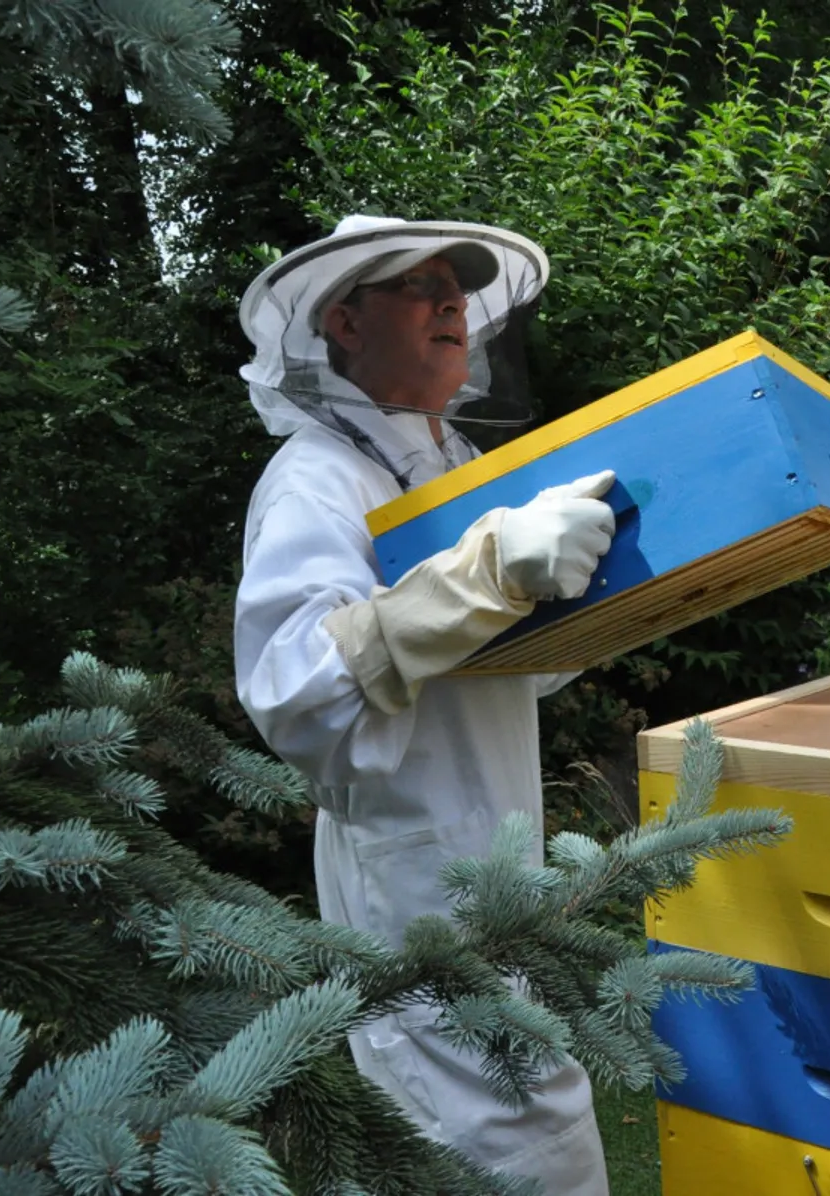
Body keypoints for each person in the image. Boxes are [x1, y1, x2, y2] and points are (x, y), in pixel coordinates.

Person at [232, 215, 616, 1193]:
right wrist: (487, 574)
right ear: (344, 321)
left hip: (495, 857)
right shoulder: (317, 481)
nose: (450, 301)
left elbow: (496, 672)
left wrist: (598, 603)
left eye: (458, 287)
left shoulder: (441, 476)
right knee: (490, 1144)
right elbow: (295, 689)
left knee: (534, 1125)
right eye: (417, 283)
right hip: (415, 889)